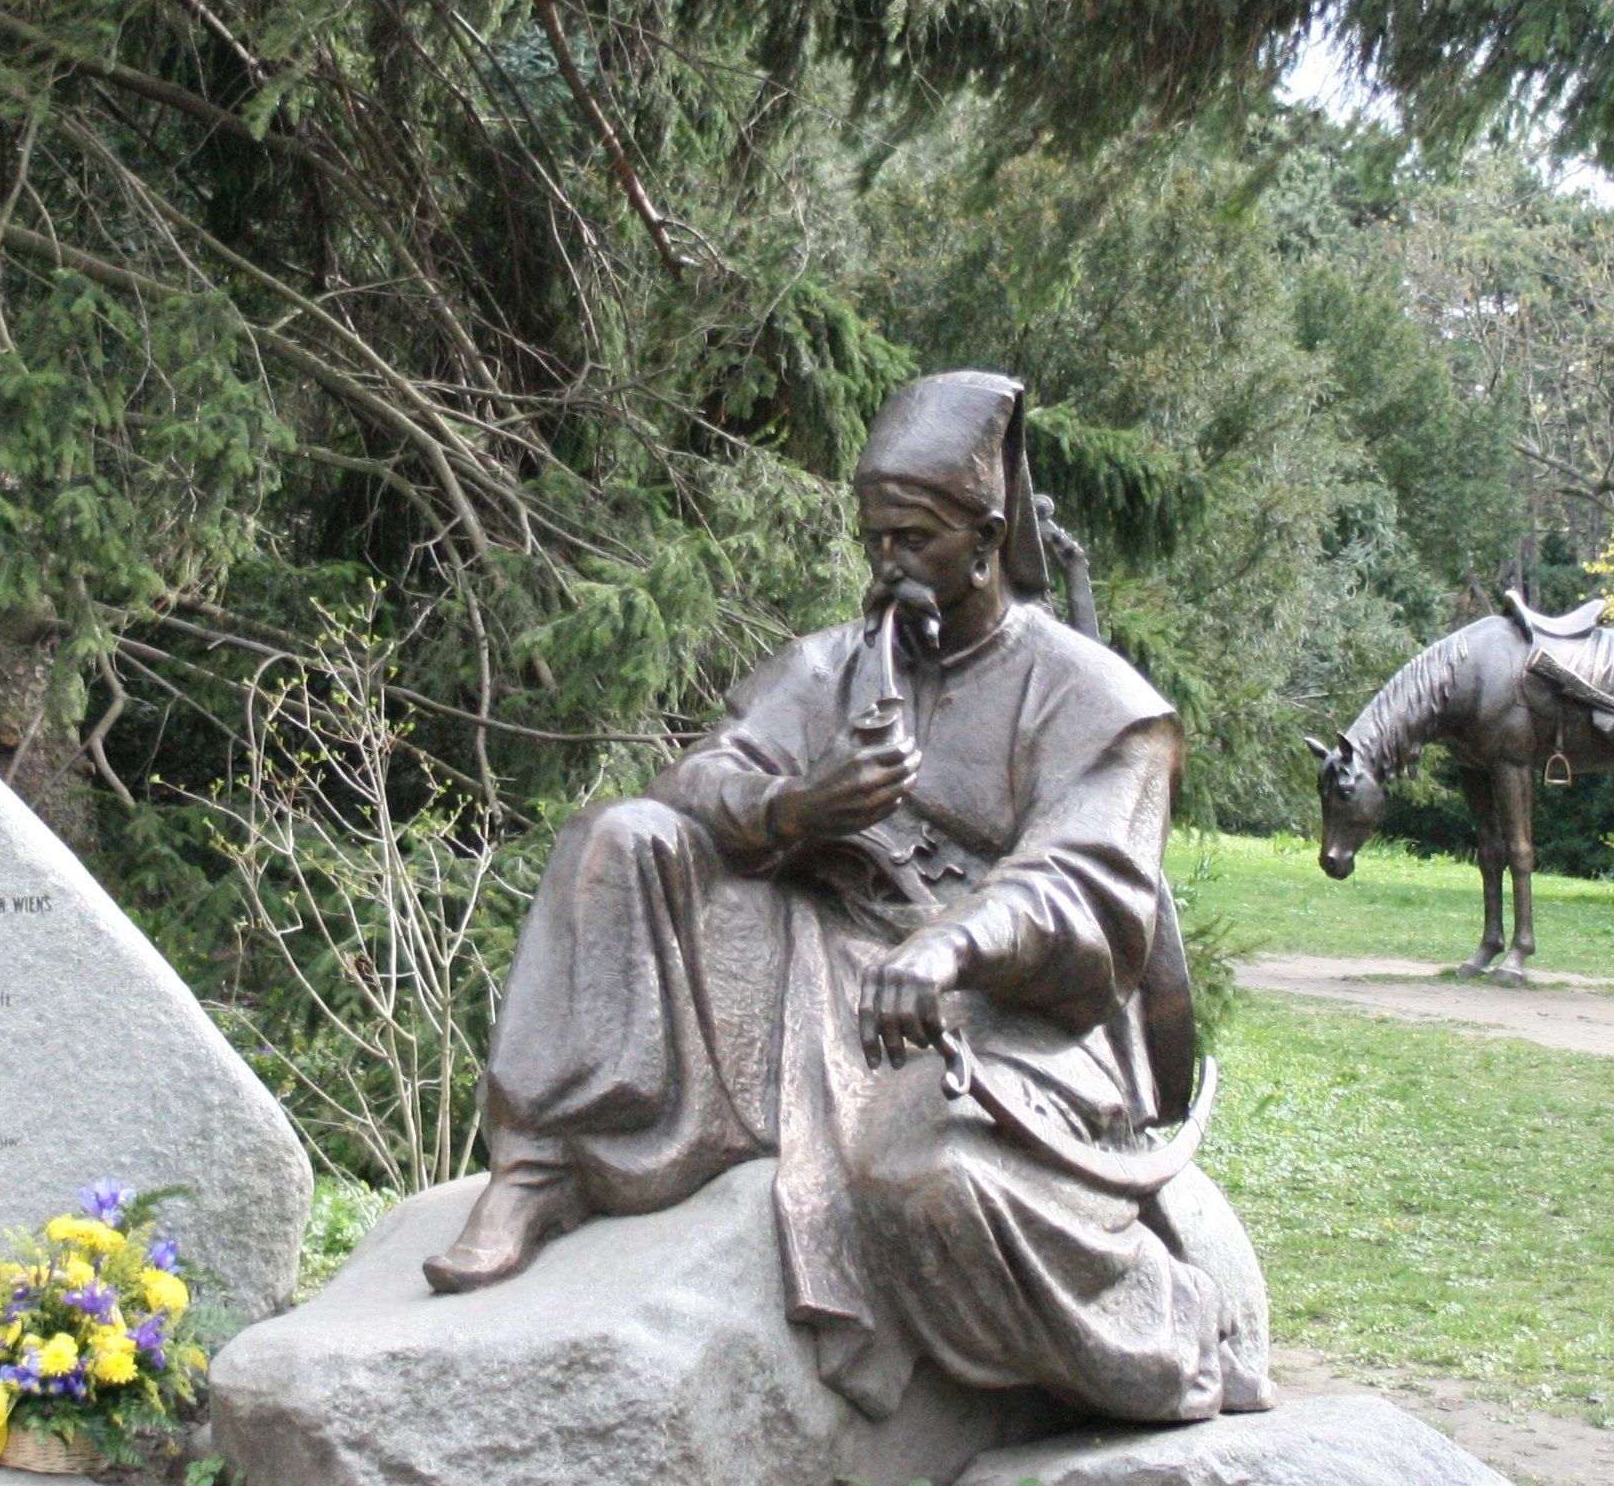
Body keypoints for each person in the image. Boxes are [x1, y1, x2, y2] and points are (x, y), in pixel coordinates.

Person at [425, 370, 1270, 1425]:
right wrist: (795, 805)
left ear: (986, 532)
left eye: (913, 538)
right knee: (617, 839)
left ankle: (1168, 1333)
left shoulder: (1093, 700)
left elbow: (1083, 889)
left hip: (994, 1011)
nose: (888, 563)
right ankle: (540, 1167)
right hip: (807, 954)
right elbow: (696, 779)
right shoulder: (836, 665)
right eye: (873, 538)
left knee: (924, 1186)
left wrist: (951, 946)